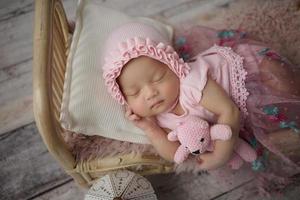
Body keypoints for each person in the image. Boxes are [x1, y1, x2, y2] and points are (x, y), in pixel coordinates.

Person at [102, 22, 300, 172]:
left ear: (173, 66)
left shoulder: (190, 81)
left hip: (251, 75)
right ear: (122, 97)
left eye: (158, 78)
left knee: (285, 86)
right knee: (280, 127)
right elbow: (174, 154)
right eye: (134, 92)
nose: (150, 93)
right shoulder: (159, 118)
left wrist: (221, 155)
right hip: (234, 116)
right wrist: (151, 129)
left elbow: (228, 110)